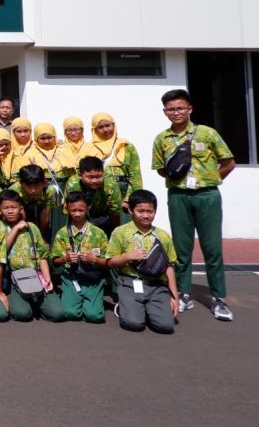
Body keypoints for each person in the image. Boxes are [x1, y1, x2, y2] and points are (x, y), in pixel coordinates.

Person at [152, 88, 235, 321]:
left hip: (207, 196)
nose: (175, 112)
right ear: (165, 112)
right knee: (180, 248)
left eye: (180, 108)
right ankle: (184, 293)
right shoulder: (162, 138)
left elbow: (228, 162)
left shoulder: (207, 134)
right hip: (178, 196)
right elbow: (160, 168)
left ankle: (218, 298)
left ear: (190, 109)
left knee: (212, 249)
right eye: (171, 109)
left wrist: (211, 179)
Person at [107, 189, 180, 333]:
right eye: (141, 211)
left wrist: (174, 296)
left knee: (166, 326)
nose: (146, 215)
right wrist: (128, 256)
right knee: (134, 324)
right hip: (130, 282)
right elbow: (110, 262)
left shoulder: (163, 236)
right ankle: (127, 306)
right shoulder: (120, 232)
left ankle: (144, 307)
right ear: (130, 210)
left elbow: (169, 266)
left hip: (156, 285)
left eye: (150, 211)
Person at [0, 190, 64, 321]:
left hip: (34, 276)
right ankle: (25, 303)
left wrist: (47, 279)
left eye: (14, 207)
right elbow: (0, 251)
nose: (10, 211)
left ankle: (38, 303)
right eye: (6, 208)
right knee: (23, 314)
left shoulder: (32, 227)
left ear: (21, 209)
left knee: (57, 314)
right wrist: (15, 229)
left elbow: (42, 255)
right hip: (12, 278)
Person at [51, 192, 108, 324]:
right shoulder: (62, 233)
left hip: (93, 278)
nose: (77, 214)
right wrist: (65, 259)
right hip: (71, 277)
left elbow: (108, 262)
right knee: (71, 313)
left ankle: (91, 300)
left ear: (88, 208)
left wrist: (94, 259)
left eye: (81, 210)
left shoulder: (99, 233)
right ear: (67, 209)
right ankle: (76, 298)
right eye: (73, 210)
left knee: (94, 316)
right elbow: (54, 261)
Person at [81, 112, 144, 200]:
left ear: (114, 125)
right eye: (100, 127)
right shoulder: (87, 148)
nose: (105, 129)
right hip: (94, 196)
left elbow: (135, 175)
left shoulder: (125, 146)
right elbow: (79, 174)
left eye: (108, 125)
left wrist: (130, 199)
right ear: (94, 130)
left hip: (122, 193)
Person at [63, 156, 124, 238]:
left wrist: (114, 236)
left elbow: (115, 214)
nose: (95, 181)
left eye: (98, 176)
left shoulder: (111, 185)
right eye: (90, 177)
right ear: (80, 175)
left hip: (103, 217)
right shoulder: (73, 184)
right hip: (80, 216)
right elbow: (70, 211)